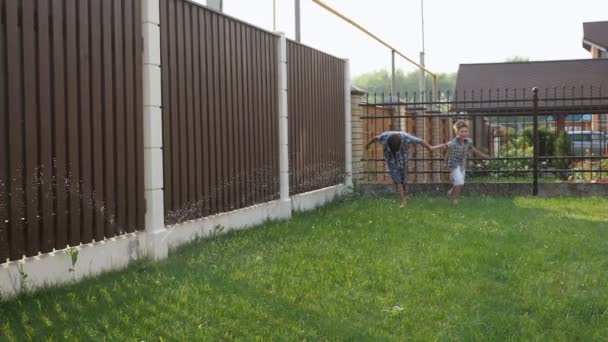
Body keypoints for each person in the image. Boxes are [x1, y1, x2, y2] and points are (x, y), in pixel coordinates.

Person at [366, 131, 434, 207]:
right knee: (397, 180)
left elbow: (420, 141)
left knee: (404, 180)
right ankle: (403, 201)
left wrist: (429, 147)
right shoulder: (384, 137)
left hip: (403, 160)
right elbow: (375, 138)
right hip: (391, 160)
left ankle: (406, 196)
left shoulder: (406, 137)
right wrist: (368, 145)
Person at [431, 120, 491, 204]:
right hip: (453, 165)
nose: (464, 133)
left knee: (459, 183)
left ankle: (450, 193)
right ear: (457, 132)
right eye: (461, 131)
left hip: (462, 164)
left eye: (466, 131)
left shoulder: (468, 141)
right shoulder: (453, 143)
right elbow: (445, 146)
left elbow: (473, 149)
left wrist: (484, 156)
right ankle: (455, 200)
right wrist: (433, 148)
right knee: (459, 182)